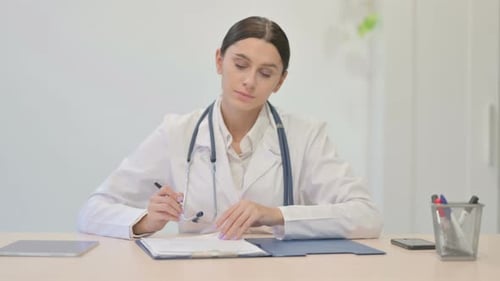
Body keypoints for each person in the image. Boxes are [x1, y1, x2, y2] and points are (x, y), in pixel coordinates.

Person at [77, 16, 383, 240]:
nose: (249, 81)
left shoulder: (305, 136)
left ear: (280, 82)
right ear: (219, 60)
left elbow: (366, 216)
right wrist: (146, 221)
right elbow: (92, 211)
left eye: (265, 73)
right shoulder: (178, 132)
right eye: (240, 65)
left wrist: (275, 214)